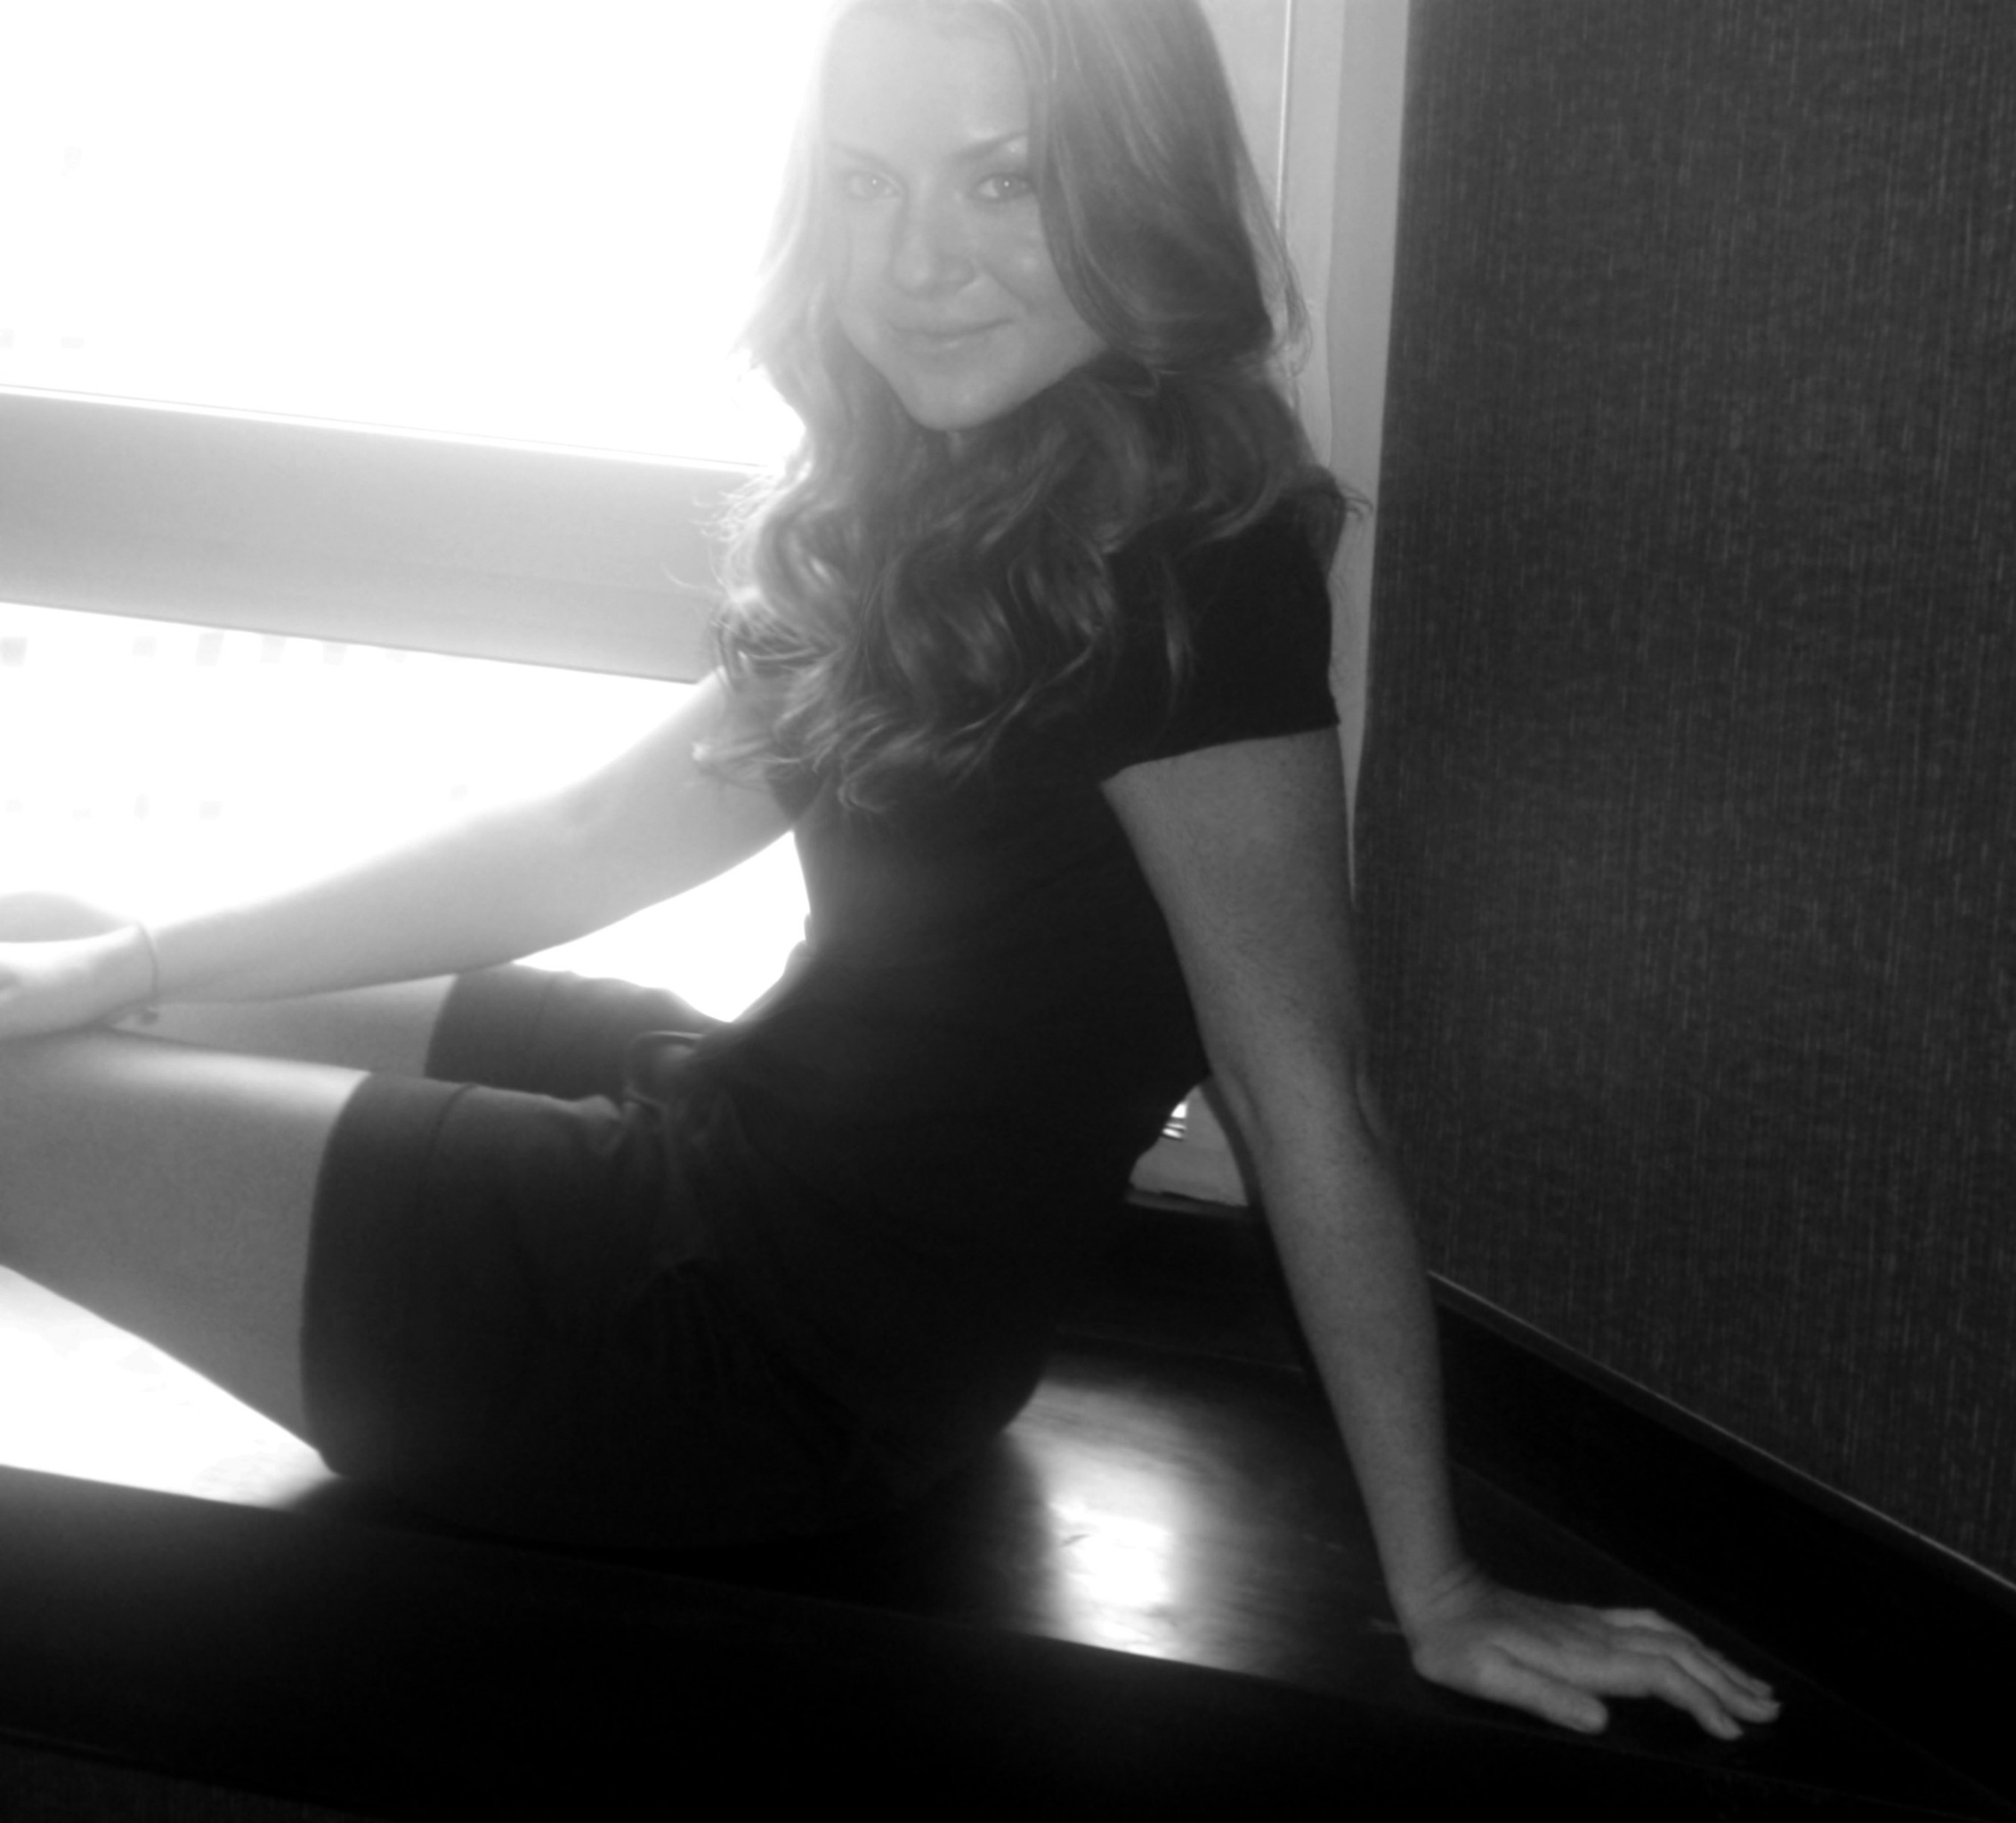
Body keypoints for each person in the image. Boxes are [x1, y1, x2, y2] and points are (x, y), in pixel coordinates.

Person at [0, 0, 1777, 1742]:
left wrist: (1440, 1589)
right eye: (867, 182)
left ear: (1135, 188)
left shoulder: (1191, 569)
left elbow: (1298, 1091)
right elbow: (591, 836)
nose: (916, 260)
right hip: (738, 1152)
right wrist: (130, 957)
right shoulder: (956, 489)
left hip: (757, 1356)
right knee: (48, 939)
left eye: (1003, 181)